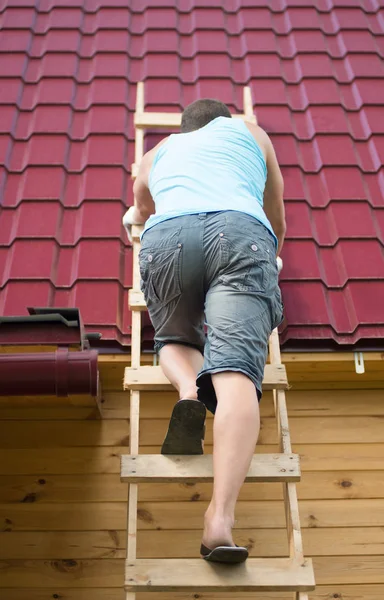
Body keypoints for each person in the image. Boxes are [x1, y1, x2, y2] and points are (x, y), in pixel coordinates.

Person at [123, 98, 285, 565]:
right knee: (235, 374)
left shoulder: (158, 152)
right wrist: (271, 257)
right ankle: (219, 521)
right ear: (225, 122)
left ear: (184, 129)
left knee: (175, 337)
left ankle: (189, 390)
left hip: (168, 235)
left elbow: (140, 207)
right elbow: (275, 213)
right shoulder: (251, 132)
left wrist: (136, 218)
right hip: (239, 232)